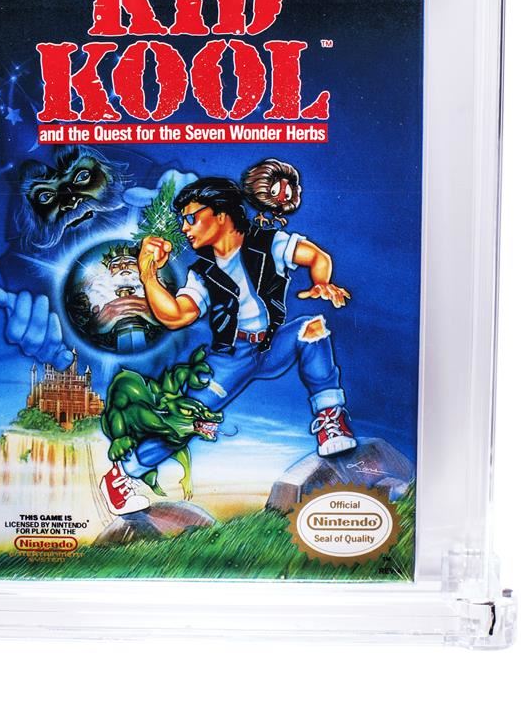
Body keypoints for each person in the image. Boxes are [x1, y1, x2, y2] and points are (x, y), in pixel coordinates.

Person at [99, 176, 357, 514]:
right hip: (231, 357)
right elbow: (176, 315)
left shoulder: (269, 243)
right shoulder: (202, 272)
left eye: (192, 218)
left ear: (220, 214)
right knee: (186, 419)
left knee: (312, 329)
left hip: (270, 346)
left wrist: (322, 281)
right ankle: (122, 474)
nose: (185, 228)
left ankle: (331, 419)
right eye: (183, 221)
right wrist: (148, 274)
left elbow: (315, 256)